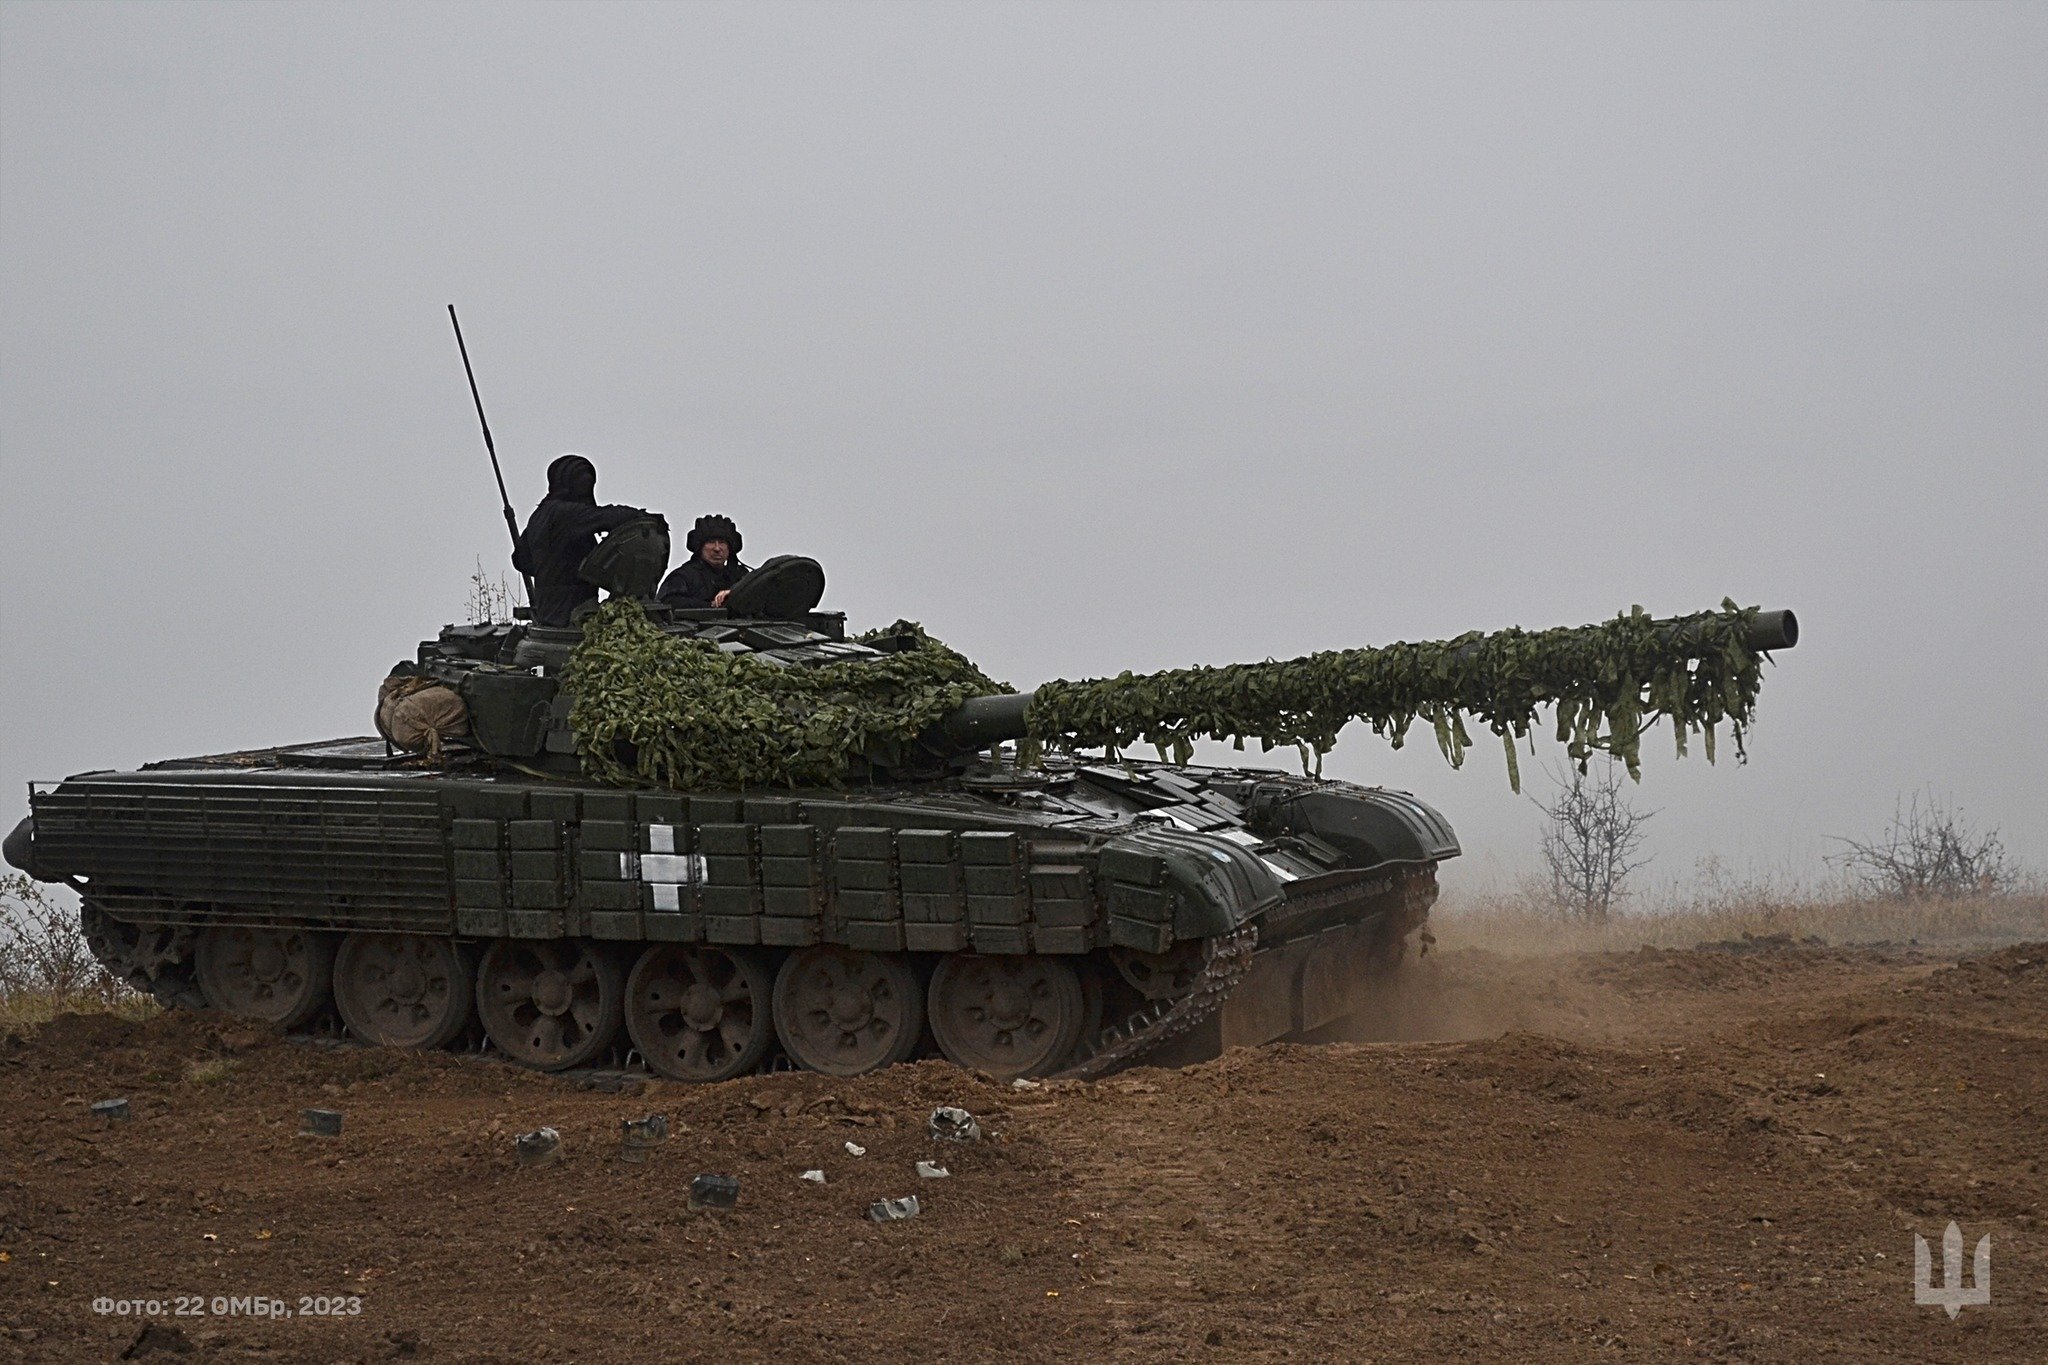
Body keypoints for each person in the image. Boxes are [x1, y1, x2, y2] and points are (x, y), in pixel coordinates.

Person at [512, 454, 657, 627]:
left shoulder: (540, 515)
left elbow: (520, 559)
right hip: (572, 614)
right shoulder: (566, 514)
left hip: (548, 610)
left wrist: (552, 570)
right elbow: (608, 517)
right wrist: (644, 517)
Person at [657, 514, 751, 608]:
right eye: (711, 542)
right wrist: (710, 606)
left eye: (722, 542)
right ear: (700, 547)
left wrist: (733, 593)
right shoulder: (684, 576)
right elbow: (667, 601)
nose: (717, 548)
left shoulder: (741, 577)